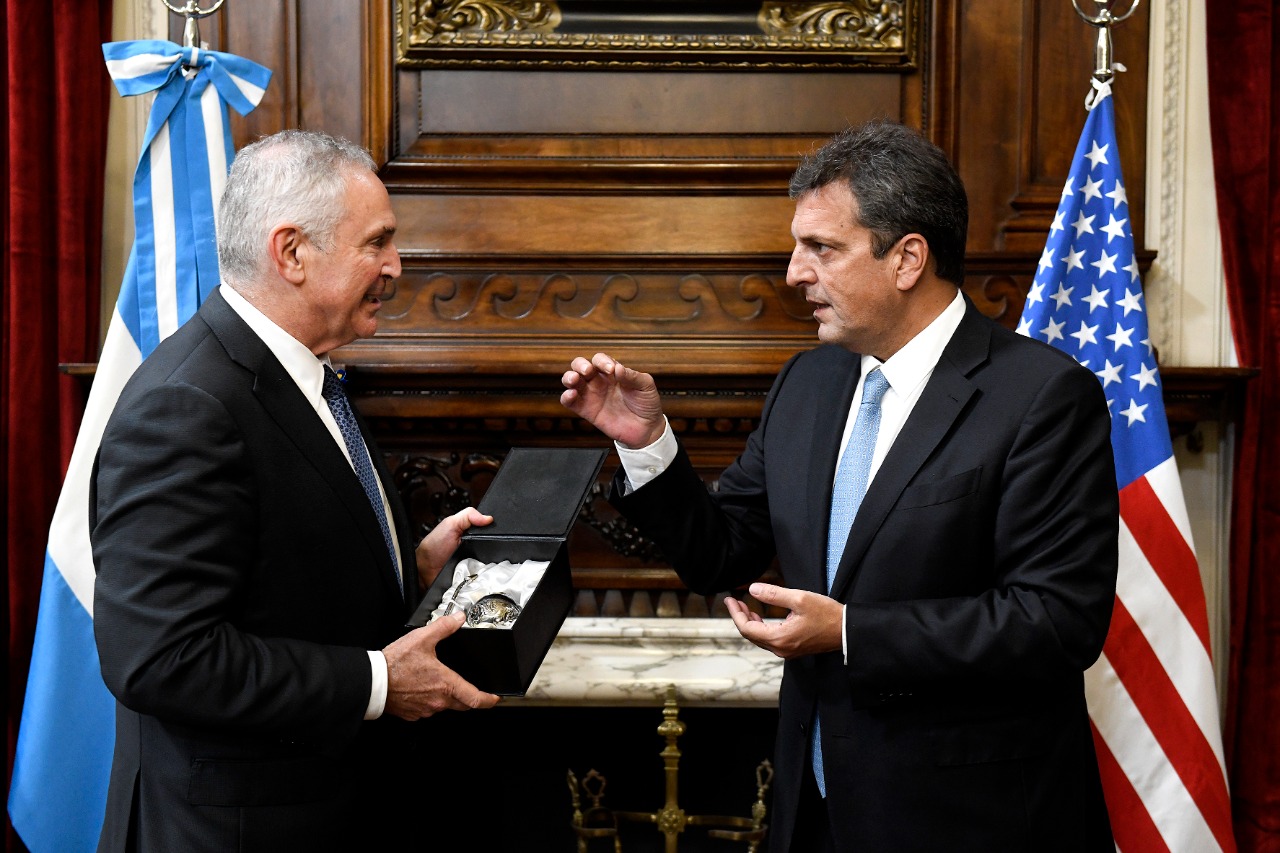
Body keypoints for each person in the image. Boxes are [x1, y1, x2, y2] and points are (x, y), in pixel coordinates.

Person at [561, 119, 1118, 852]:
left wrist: (850, 631)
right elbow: (722, 555)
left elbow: (1054, 621)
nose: (795, 272)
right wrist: (649, 444)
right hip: (815, 806)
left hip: (967, 817)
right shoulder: (808, 382)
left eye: (822, 248)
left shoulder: (1042, 396)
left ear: (907, 258)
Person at [91, 129, 499, 852]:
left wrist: (409, 564)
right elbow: (160, 656)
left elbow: (283, 563)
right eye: (376, 242)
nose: (396, 266)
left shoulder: (307, 371)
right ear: (291, 253)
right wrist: (376, 680)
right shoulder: (187, 403)